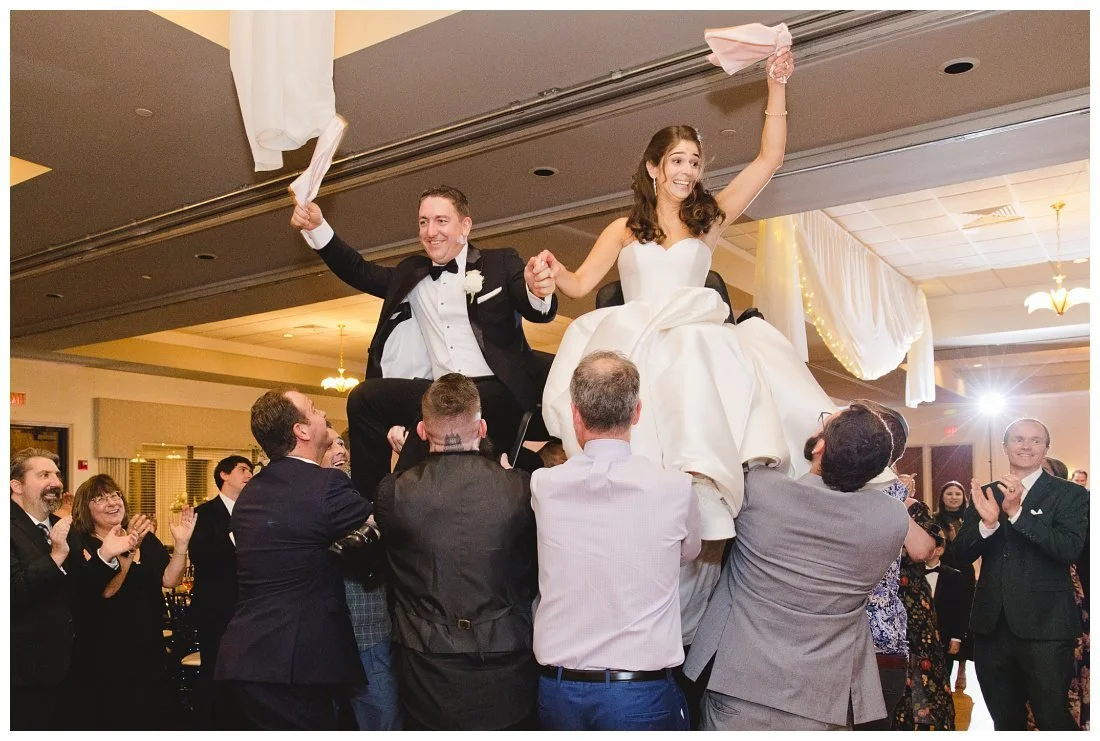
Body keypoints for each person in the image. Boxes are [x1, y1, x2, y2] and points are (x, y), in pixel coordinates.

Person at [536, 49, 832, 636]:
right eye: (677, 160)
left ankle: (702, 506)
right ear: (652, 167)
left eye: (694, 161)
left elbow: (770, 159)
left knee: (702, 375)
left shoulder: (710, 219)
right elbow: (579, 284)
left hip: (693, 339)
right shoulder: (623, 228)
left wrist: (776, 87)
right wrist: (546, 274)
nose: (687, 170)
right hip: (640, 336)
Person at [290, 185, 558, 499]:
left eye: (441, 221)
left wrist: (538, 290)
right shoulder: (412, 273)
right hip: (443, 387)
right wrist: (317, 227)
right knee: (365, 397)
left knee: (436, 405)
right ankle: (370, 504)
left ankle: (401, 499)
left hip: (499, 391)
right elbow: (359, 271)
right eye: (423, 222)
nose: (430, 231)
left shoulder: (500, 263)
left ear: (465, 226)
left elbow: (535, 308)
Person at [684, 402, 909, 730]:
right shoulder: (892, 519)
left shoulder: (761, 490)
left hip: (740, 678)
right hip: (822, 695)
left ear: (819, 446)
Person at [531, 351, 699, 731]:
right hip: (638, 693)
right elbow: (689, 552)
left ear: (575, 415)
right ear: (637, 413)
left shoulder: (544, 485)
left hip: (560, 692)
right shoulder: (675, 487)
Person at [374, 373, 539, 730]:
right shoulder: (521, 489)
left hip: (425, 662)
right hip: (507, 657)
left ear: (421, 431)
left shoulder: (394, 493)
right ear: (481, 428)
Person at [215, 388, 372, 730]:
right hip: (297, 662)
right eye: (314, 409)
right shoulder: (323, 485)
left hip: (249, 657)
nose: (322, 414)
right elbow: (387, 522)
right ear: (301, 431)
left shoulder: (251, 492)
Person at [954, 417, 1089, 730]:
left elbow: (1067, 549)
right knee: (1005, 721)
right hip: (992, 628)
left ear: (1046, 448)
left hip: (1046, 627)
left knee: (1052, 718)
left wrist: (1016, 513)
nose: (1026, 446)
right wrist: (987, 525)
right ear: (1005, 446)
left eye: (1035, 440)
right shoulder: (986, 494)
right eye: (1018, 439)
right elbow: (959, 555)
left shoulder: (1070, 495)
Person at [10, 448, 133, 730]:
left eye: (56, 474)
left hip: (71, 667)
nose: (56, 482)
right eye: (43, 475)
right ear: (17, 486)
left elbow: (83, 591)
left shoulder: (62, 526)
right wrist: (55, 556)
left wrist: (105, 556)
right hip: (22, 674)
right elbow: (12, 593)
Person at [69, 474, 197, 729]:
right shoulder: (82, 543)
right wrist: (126, 554)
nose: (112, 502)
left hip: (148, 647)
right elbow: (105, 592)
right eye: (100, 499)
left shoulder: (143, 538)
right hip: (105, 653)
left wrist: (182, 545)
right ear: (86, 508)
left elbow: (170, 580)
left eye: (115, 495)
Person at [848, 400, 934, 731]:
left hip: (868, 638)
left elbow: (921, 547)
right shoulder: (891, 491)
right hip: (877, 636)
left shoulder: (884, 491)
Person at [322, 426, 402, 731]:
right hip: (324, 640)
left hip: (370, 633)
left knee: (383, 720)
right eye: (329, 445)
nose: (339, 450)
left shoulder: (366, 491)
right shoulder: (308, 502)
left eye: (341, 443)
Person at [189, 454, 253, 729]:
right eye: (242, 469)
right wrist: (234, 539)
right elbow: (200, 555)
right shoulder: (204, 513)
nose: (249, 474)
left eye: (251, 469)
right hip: (215, 608)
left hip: (250, 607)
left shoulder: (254, 512)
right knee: (215, 669)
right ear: (224, 475)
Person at [892, 505, 954, 730]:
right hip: (868, 603)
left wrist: (898, 502)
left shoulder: (913, 507)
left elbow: (921, 551)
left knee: (921, 675)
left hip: (912, 605)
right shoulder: (854, 498)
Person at [924, 541, 971, 698]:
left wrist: (957, 638)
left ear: (939, 550)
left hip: (943, 638)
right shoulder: (912, 575)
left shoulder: (953, 576)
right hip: (918, 639)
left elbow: (962, 610)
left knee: (942, 680)